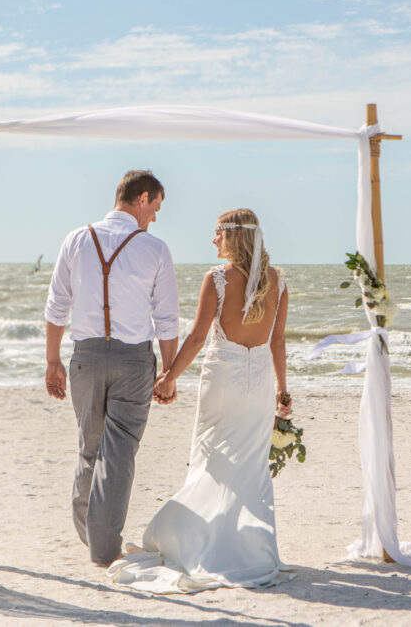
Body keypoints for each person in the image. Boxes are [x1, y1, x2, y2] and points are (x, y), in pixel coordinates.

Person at [107, 208, 295, 593]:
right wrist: (282, 390)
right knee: (250, 468)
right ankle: (249, 550)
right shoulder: (278, 281)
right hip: (258, 386)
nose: (213, 241)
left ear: (234, 237)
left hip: (222, 381)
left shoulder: (218, 279)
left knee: (211, 463)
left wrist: (169, 376)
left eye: (217, 234)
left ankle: (199, 543)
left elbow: (196, 337)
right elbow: (277, 342)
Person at [44, 169, 180, 566]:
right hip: (133, 361)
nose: (154, 217)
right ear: (141, 198)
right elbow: (166, 319)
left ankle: (90, 533)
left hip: (84, 358)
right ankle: (104, 550)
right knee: (118, 453)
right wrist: (168, 373)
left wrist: (53, 361)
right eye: (155, 207)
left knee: (90, 447)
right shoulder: (155, 249)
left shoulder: (75, 239)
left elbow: (56, 307)